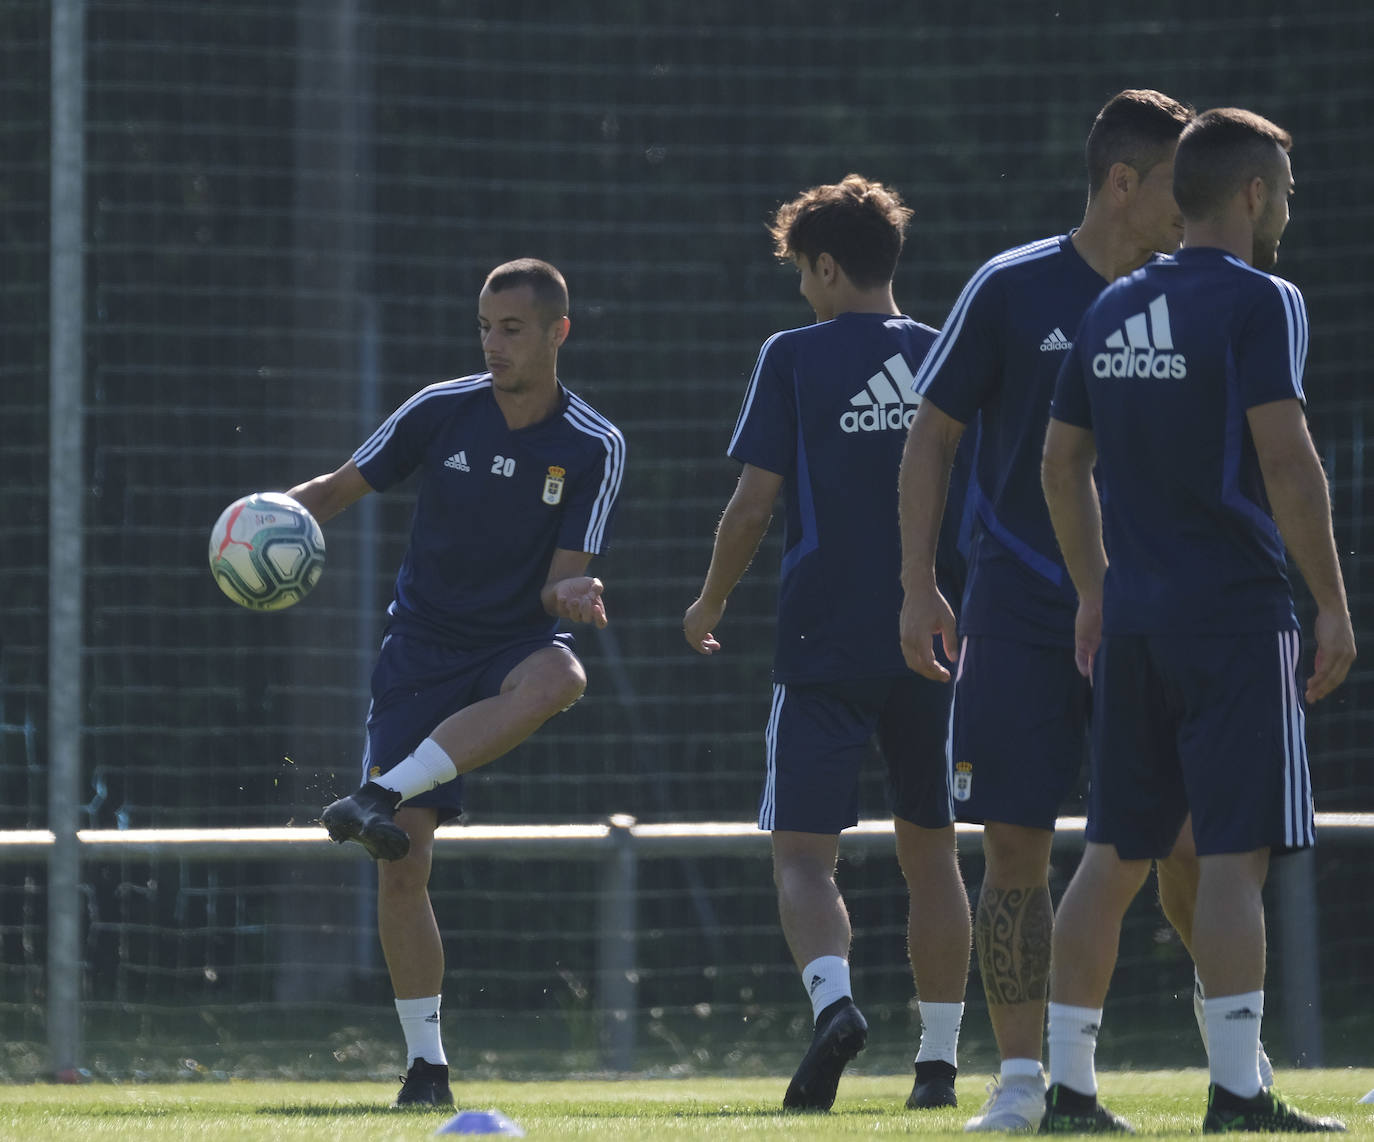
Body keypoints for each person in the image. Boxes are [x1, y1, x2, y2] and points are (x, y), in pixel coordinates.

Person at [894, 90, 1259, 1133]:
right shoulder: (1011, 287)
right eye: (1173, 185)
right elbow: (931, 433)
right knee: (1015, 846)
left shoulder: (1201, 298)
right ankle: (1023, 1086)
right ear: (1123, 184)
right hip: (1015, 609)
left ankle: (1237, 1061)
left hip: (1155, 614)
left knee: (1189, 838)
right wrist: (919, 584)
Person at [1039, 106, 1353, 1134]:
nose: (1288, 215)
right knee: (1230, 855)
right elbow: (1287, 460)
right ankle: (1236, 1090)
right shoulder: (1266, 301)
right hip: (1232, 614)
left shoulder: (1111, 305)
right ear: (1254, 195)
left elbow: (1060, 462)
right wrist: (1334, 604)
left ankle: (1070, 1092)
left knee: (1110, 852)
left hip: (1133, 618)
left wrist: (1094, 586)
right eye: (1287, 196)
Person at [289, 259, 625, 1108]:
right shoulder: (441, 410)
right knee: (404, 866)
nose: (493, 343)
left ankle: (377, 791)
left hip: (513, 640)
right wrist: (257, 519)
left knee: (563, 676)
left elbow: (560, 582)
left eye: (511, 328)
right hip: (422, 650)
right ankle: (426, 1066)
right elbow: (333, 490)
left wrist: (574, 593)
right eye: (484, 326)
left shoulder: (593, 444)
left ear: (558, 333)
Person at [683, 175, 973, 1113]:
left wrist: (707, 603)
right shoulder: (947, 351)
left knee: (805, 857)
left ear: (826, 265)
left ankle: (836, 1006)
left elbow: (752, 506)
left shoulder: (794, 355)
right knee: (935, 855)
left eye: (800, 273)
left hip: (822, 639)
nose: (799, 292)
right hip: (937, 636)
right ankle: (938, 1064)